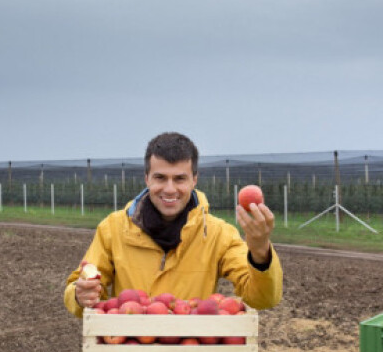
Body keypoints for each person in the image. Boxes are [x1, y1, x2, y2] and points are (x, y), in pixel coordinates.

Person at [64, 132, 282, 316]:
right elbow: (82, 288)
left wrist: (260, 251)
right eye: (160, 178)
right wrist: (80, 295)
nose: (169, 189)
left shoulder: (218, 234)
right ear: (147, 178)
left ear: (194, 180)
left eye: (179, 179)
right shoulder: (113, 229)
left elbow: (262, 299)